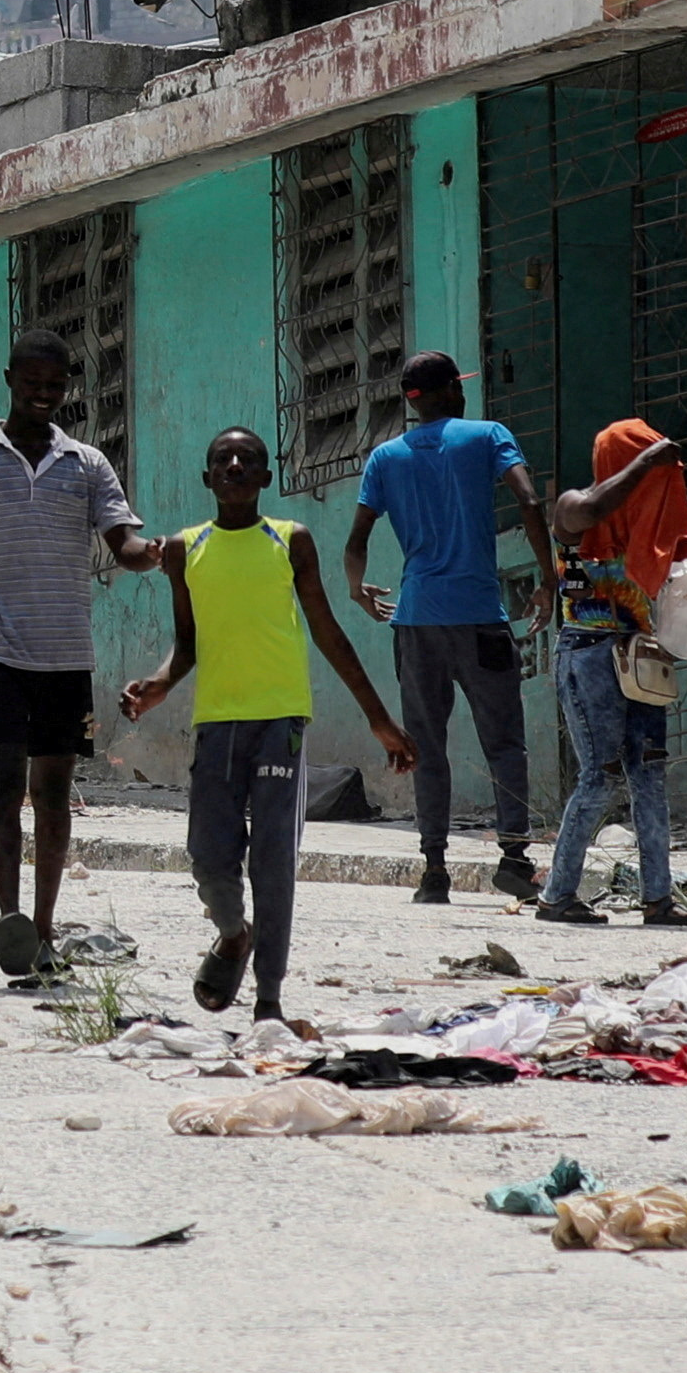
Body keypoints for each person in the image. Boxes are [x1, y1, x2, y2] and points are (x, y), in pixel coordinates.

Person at [119, 423, 408, 1019]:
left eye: (246, 459)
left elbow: (327, 632)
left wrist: (379, 719)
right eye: (222, 458)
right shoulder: (183, 549)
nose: (233, 466)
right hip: (217, 725)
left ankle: (269, 999)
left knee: (273, 862)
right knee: (208, 856)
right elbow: (187, 642)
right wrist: (158, 684)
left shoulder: (290, 540)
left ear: (265, 477)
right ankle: (232, 935)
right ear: (206, 477)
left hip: (280, 722)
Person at [0, 326, 159, 981]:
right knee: (2, 786)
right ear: (9, 378)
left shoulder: (88, 463)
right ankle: (12, 922)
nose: (42, 393)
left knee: (54, 792)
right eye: (32, 381)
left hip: (65, 650)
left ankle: (46, 926)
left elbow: (123, 544)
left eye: (54, 384)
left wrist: (166, 555)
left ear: (67, 389)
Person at [341, 352, 551, 906]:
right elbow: (528, 500)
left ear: (411, 402)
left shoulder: (385, 458)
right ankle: (513, 857)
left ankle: (434, 869)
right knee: (504, 742)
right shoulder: (487, 436)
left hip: (416, 624)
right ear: (454, 392)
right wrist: (549, 578)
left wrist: (356, 588)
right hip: (481, 617)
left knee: (424, 746)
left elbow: (358, 538)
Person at [537, 418, 687, 928]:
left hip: (639, 653)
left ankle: (659, 899)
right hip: (587, 653)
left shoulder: (645, 525)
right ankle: (557, 895)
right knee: (601, 776)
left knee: (649, 773)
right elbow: (596, 508)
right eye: (638, 457)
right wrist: (648, 462)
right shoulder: (573, 505)